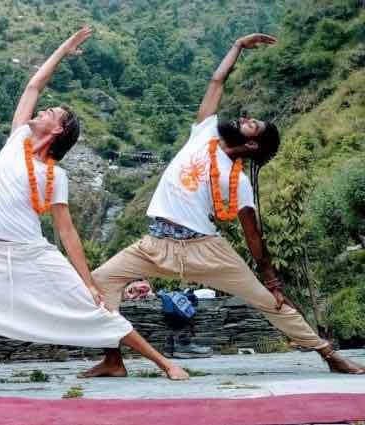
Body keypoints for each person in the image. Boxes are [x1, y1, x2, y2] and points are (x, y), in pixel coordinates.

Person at [0, 26, 189, 383]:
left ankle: (162, 363)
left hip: (32, 256)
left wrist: (87, 281)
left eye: (51, 113)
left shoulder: (55, 176)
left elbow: (67, 232)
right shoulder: (16, 140)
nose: (42, 110)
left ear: (58, 130)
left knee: (91, 307)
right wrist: (63, 50)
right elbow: (34, 86)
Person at [83, 33, 365, 376]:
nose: (246, 118)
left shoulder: (240, 181)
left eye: (253, 125)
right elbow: (217, 80)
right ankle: (113, 360)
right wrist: (236, 47)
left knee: (268, 302)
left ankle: (328, 354)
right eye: (249, 118)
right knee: (100, 280)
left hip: (205, 250)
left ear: (253, 146)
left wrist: (271, 280)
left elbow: (253, 234)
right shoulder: (205, 132)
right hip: (154, 243)